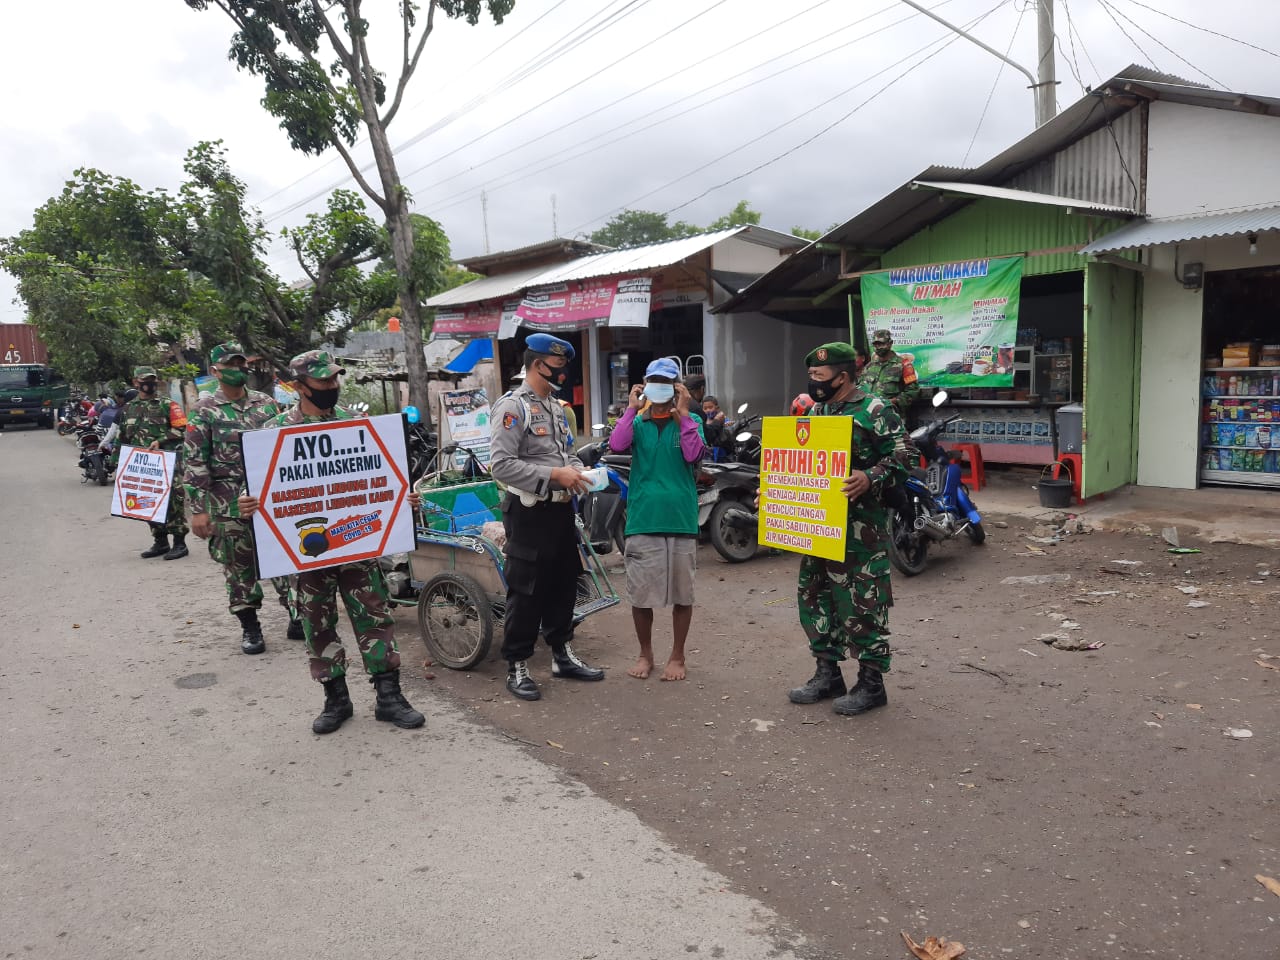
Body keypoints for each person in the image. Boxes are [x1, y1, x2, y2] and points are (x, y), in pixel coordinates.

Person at [238, 350, 425, 734]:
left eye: (335, 379)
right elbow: (260, 488)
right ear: (299, 386)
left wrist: (402, 498)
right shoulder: (274, 433)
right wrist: (246, 502)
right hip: (306, 554)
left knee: (374, 615)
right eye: (324, 382)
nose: (333, 387)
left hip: (358, 546)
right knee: (316, 622)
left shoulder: (358, 426)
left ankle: (389, 697)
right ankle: (335, 698)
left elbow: (381, 480)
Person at [788, 341, 912, 716]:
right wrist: (778, 490)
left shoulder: (875, 408)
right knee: (814, 597)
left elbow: (904, 453)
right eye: (810, 376)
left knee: (862, 603)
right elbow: (801, 463)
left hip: (860, 531)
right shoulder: (818, 411)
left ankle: (872, 683)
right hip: (818, 525)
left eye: (820, 377)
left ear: (843, 376)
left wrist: (870, 475)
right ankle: (828, 673)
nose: (813, 383)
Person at [488, 333, 603, 701]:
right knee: (527, 591)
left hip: (559, 510)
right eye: (558, 366)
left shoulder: (554, 406)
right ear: (538, 364)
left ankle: (561, 654)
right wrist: (554, 476)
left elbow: (565, 452)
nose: (564, 372)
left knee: (563, 583)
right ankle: (517, 665)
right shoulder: (512, 407)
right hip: (528, 512)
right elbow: (501, 465)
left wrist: (576, 471)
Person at [183, 342, 296, 655]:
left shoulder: (267, 404)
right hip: (227, 503)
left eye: (241, 363)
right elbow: (194, 462)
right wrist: (198, 510)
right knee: (238, 567)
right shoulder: (204, 410)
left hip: (269, 499)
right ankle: (250, 627)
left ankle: (296, 614)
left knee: (285, 558)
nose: (239, 369)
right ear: (216, 371)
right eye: (231, 365)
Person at [609, 358, 706, 681]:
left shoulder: (691, 421)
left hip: (680, 519)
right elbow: (617, 444)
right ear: (645, 383)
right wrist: (629, 408)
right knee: (641, 595)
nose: (659, 386)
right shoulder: (636, 422)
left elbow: (693, 455)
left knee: (683, 594)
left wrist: (683, 414)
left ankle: (677, 656)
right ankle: (645, 653)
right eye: (654, 380)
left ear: (676, 387)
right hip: (643, 518)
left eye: (666, 381)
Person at [115, 365, 190, 561]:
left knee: (174, 501)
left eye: (152, 380)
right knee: (148, 501)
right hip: (141, 467)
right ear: (135, 383)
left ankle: (180, 542)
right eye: (145, 380)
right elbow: (122, 436)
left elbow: (182, 430)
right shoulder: (129, 409)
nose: (149, 384)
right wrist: (116, 462)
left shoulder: (168, 405)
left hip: (167, 464)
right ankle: (160, 541)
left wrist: (161, 440)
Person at [857, 329, 919, 422]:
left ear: (890, 343)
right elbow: (861, 389)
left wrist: (890, 402)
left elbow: (913, 392)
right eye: (875, 344)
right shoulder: (869, 367)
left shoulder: (904, 365)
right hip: (869, 418)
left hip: (892, 418)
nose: (878, 347)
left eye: (881, 344)